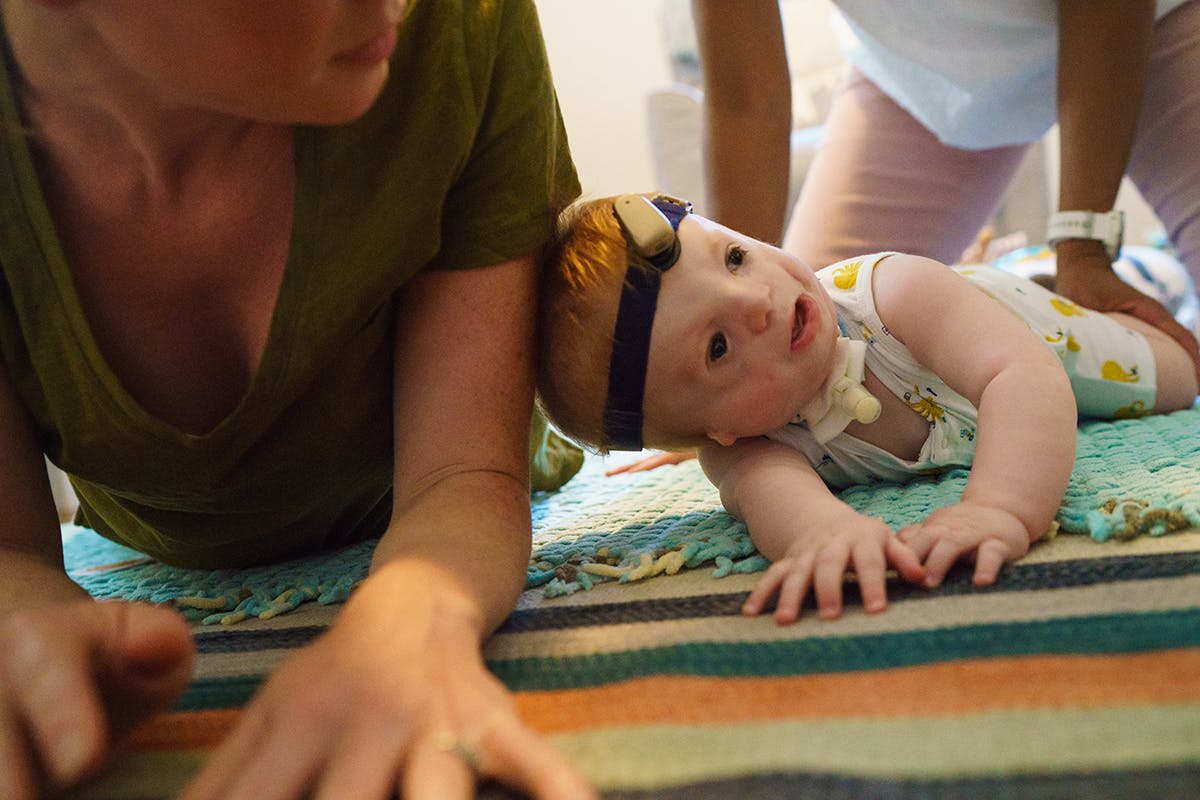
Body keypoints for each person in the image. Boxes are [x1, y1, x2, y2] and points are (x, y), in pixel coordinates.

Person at [0, 2, 592, 799]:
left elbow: (463, 473)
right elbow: (11, 553)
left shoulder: (464, 29)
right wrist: (22, 608)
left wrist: (418, 619)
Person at [538, 194, 1197, 624]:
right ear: (717, 429)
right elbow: (783, 508)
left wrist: (998, 509)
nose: (758, 300)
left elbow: (1025, 377)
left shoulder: (895, 293)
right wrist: (825, 533)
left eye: (735, 258)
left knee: (1176, 377)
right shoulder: (743, 451)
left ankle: (1125, 277)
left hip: (1041, 336)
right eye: (716, 346)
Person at [691, 0, 1200, 379]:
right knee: (807, 366)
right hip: (922, 80)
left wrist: (1084, 246)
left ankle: (1138, 273)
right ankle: (1133, 276)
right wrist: (725, 341)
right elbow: (744, 93)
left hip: (1146, 23)